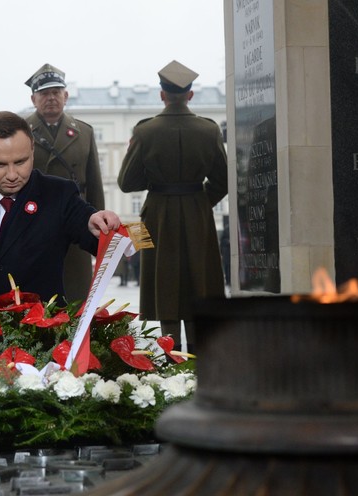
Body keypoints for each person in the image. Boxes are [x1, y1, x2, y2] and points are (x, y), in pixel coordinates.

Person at [0, 111, 120, 310]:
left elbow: (84, 222)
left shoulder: (58, 194)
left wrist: (97, 223)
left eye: (20, 162)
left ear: (32, 150)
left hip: (42, 331)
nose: (12, 175)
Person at [118, 60, 229, 354]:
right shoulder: (209, 130)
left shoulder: (145, 131)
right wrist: (202, 202)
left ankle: (169, 349)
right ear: (190, 95)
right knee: (198, 278)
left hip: (157, 213)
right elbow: (223, 180)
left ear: (162, 94)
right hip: (198, 211)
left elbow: (127, 183)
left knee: (163, 279)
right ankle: (196, 350)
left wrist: (156, 180)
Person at [24, 64, 105, 304]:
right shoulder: (20, 131)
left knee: (76, 294)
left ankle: (78, 340)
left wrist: (99, 227)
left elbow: (94, 184)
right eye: (44, 94)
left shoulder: (84, 132)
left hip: (76, 225)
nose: (51, 98)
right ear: (33, 99)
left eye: (56, 92)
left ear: (66, 96)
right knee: (35, 297)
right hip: (32, 222)